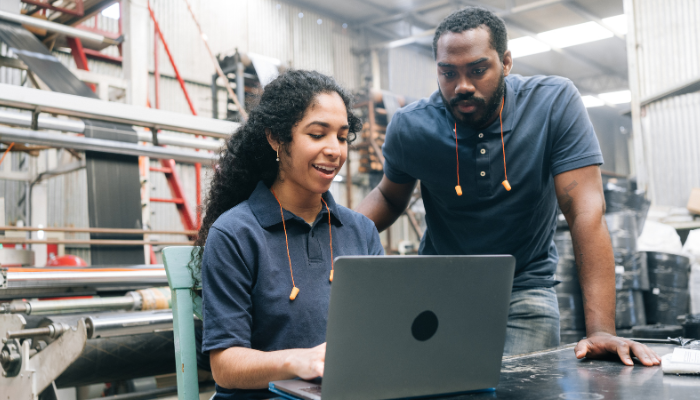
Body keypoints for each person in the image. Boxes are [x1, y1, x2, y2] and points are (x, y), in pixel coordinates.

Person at [357, 7, 660, 366]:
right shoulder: (411, 127)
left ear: (506, 62)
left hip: (525, 289)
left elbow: (585, 213)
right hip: (439, 290)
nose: (462, 86)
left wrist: (601, 330)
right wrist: (334, 233)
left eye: (478, 70)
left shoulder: (552, 103)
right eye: (448, 73)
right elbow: (390, 198)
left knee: (519, 389)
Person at [193, 70, 384, 400]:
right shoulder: (235, 234)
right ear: (276, 138)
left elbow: (382, 329)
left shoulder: (360, 231)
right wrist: (300, 361)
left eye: (341, 137)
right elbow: (224, 365)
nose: (334, 150)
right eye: (317, 134)